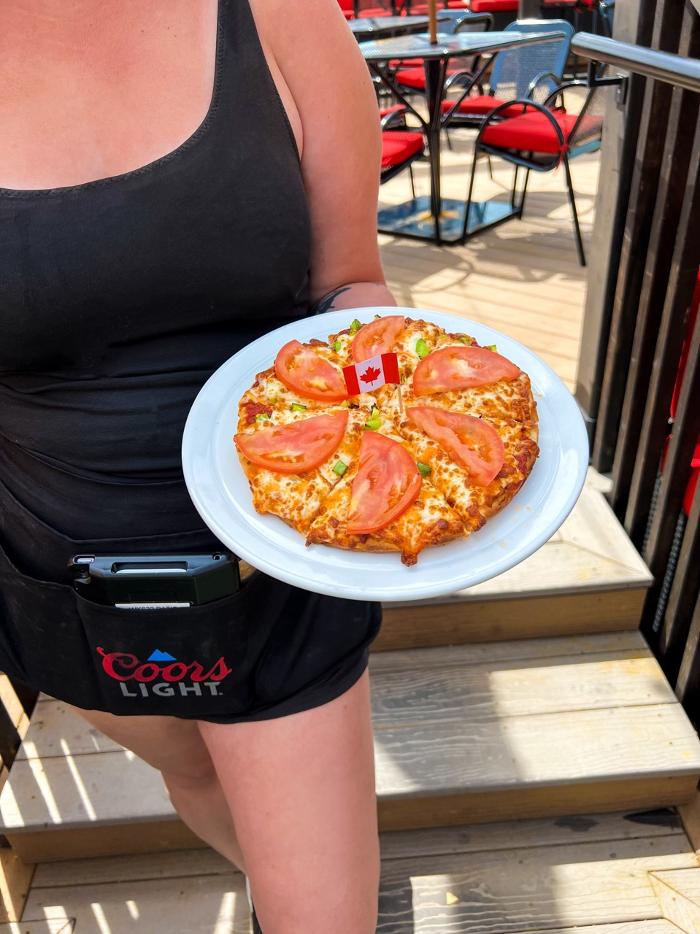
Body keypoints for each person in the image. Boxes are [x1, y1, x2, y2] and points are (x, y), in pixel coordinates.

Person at [0, 1, 396, 930]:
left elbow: (350, 281)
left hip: (280, 560)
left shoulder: (280, 16)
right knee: (198, 774)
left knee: (322, 917)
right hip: (56, 573)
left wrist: (406, 413)